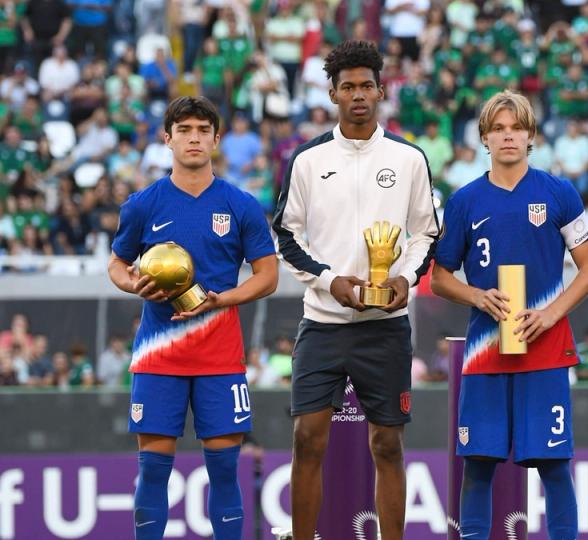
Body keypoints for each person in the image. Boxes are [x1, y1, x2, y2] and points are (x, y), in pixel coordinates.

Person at [272, 40, 439, 540]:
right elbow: (286, 234)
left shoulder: (409, 158)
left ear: (381, 91)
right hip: (323, 323)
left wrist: (404, 280)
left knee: (387, 444)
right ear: (332, 94)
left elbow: (426, 233)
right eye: (348, 87)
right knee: (307, 438)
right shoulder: (307, 159)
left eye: (367, 85)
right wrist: (330, 281)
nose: (358, 95)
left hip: (385, 327)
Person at [107, 96, 278, 539]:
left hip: (220, 356)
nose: (194, 138)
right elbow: (116, 264)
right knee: (153, 473)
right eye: (184, 130)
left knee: (224, 472)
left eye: (203, 130)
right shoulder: (142, 205)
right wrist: (132, 284)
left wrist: (225, 300)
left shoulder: (240, 205)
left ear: (217, 139)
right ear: (167, 138)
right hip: (158, 356)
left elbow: (268, 275)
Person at [431, 90, 588, 539]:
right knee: (479, 463)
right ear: (484, 138)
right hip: (486, 348)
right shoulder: (465, 200)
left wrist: (549, 314)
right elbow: (439, 278)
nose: (508, 137)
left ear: (531, 137)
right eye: (499, 129)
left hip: (543, 348)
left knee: (553, 463)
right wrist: (477, 297)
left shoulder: (559, 192)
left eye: (517, 128)